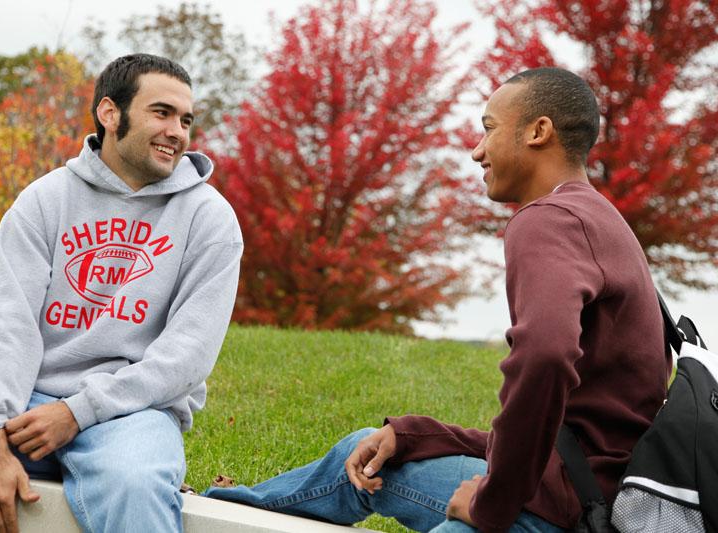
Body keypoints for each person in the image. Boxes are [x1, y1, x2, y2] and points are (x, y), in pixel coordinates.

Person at [205, 67, 671, 532]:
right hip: (597, 497)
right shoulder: (601, 219)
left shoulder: (547, 220)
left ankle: (211, 514)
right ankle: (224, 506)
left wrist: (492, 506)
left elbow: (545, 357)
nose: (477, 151)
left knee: (381, 469)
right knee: (375, 445)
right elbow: (568, 431)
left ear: (538, 131)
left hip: (567, 512)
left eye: (489, 129)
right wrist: (419, 435)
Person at [0, 53, 243, 533]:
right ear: (111, 114)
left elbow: (186, 358)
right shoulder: (44, 201)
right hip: (23, 399)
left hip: (134, 414)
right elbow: (9, 328)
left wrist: (78, 411)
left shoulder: (210, 219)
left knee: (135, 491)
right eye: (162, 113)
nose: (178, 130)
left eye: (186, 119)